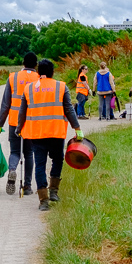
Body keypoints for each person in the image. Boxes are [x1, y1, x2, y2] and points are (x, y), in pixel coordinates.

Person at [16, 59, 82, 211]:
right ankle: (53, 191)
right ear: (53, 72)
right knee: (57, 159)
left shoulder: (29, 88)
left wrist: (19, 128)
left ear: (38, 72)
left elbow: (22, 112)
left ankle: (43, 200)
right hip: (55, 132)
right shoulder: (61, 86)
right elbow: (69, 109)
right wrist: (77, 127)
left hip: (36, 133)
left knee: (39, 164)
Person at [0, 52, 39, 195]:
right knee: (29, 153)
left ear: (23, 63)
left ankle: (12, 170)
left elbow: (6, 103)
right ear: (36, 65)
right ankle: (28, 186)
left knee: (14, 151)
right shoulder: (39, 79)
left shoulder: (13, 77)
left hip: (14, 121)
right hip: (31, 123)